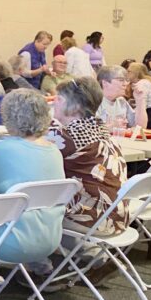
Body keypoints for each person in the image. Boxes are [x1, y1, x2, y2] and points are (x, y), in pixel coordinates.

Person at [0, 90, 64, 278]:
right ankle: (39, 267)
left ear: (8, 115)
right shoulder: (55, 152)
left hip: (6, 243)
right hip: (49, 238)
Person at [45, 77, 128, 236]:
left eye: (59, 99)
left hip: (94, 219)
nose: (54, 102)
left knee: (31, 203)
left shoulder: (63, 137)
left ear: (75, 107)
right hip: (118, 216)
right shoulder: (101, 129)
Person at [96, 65, 145, 131]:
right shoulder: (95, 102)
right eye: (121, 80)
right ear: (105, 83)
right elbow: (90, 131)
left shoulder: (121, 101)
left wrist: (140, 100)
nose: (126, 84)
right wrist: (113, 126)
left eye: (126, 80)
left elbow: (140, 127)